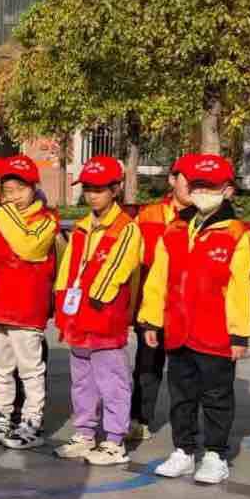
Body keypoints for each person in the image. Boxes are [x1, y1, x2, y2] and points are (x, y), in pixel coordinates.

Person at [137, 153, 250, 484]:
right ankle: (184, 451)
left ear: (228, 190)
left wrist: (239, 334)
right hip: (178, 329)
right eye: (198, 185)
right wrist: (151, 320)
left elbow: (240, 286)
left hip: (215, 333)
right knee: (181, 394)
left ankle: (216, 455)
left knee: (217, 396)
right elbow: (158, 277)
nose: (202, 192)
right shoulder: (174, 229)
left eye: (211, 186)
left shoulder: (237, 233)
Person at [52, 156, 143, 466]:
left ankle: (115, 440)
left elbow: (118, 269)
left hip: (105, 318)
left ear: (115, 189)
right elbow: (67, 271)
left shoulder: (126, 228)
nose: (91, 195)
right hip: (79, 318)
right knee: (82, 381)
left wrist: (92, 301)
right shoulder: (80, 228)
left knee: (113, 380)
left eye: (99, 189)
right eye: (88, 189)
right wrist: (64, 309)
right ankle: (85, 433)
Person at [0, 154, 59, 449]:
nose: (13, 196)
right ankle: (1, 415)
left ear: (33, 188)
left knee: (30, 370)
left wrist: (2, 214)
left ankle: (32, 421)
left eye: (20, 189)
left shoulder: (46, 221)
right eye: (8, 190)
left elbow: (29, 246)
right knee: (0, 366)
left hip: (26, 309)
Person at [129, 157, 193, 440]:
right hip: (153, 305)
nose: (193, 185)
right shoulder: (148, 215)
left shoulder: (208, 217)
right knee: (147, 366)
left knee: (188, 373)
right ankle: (139, 419)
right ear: (172, 180)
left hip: (189, 308)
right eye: (186, 178)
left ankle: (189, 432)